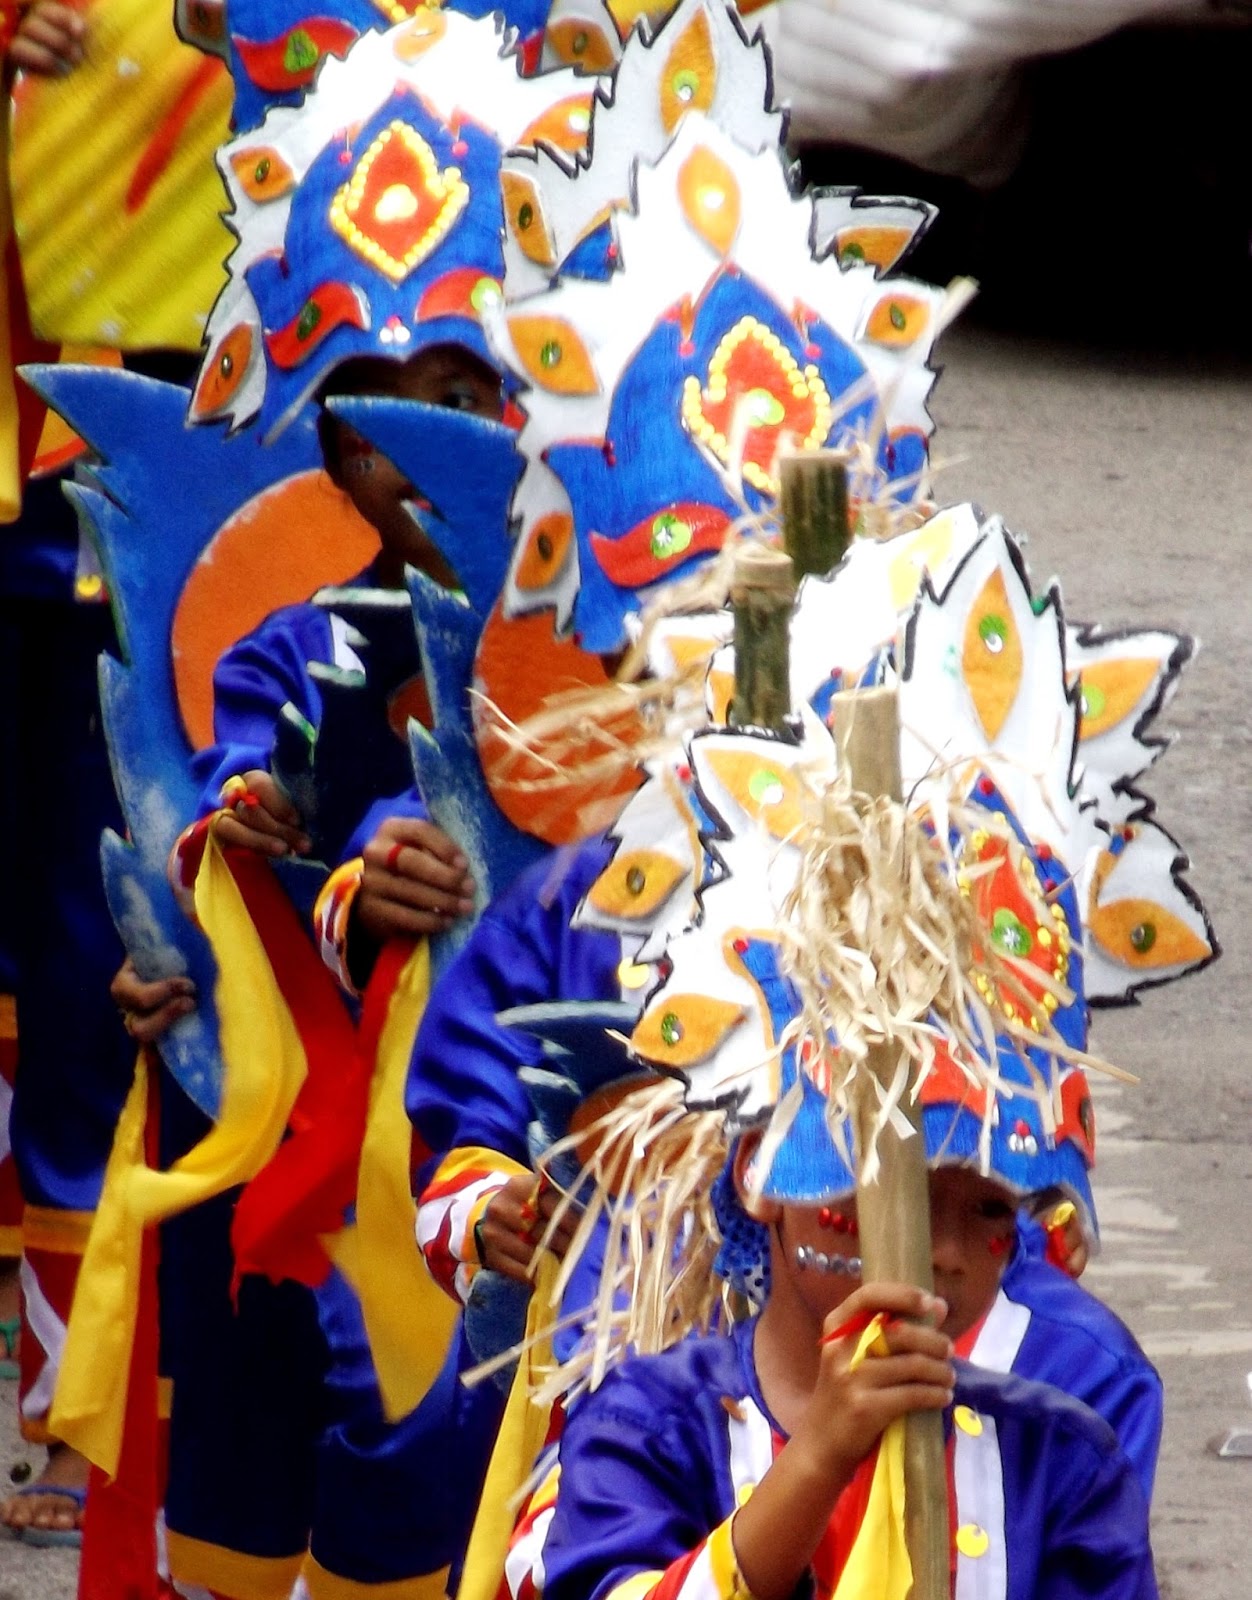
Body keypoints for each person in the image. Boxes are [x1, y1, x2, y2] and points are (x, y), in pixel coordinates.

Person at [539, 1137, 1158, 1600]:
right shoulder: (646, 1425)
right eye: (891, 1188)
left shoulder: (1059, 1449)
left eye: (990, 1209)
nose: (942, 1251)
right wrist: (817, 1460)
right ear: (762, 1175)